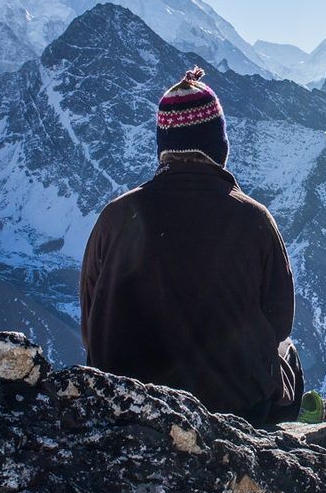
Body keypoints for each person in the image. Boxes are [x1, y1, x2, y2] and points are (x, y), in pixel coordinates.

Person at [80, 67, 302, 424]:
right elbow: (280, 323)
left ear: (163, 150)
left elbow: (90, 326)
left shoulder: (115, 217)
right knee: (287, 354)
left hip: (123, 406)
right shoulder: (253, 218)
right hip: (233, 408)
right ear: (219, 145)